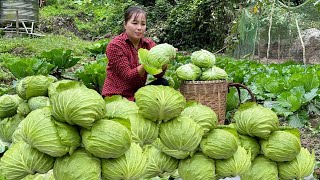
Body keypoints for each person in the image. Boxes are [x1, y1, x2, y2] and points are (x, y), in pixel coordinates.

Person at [102, 6, 169, 101]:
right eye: (135, 23)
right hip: (117, 96)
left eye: (143, 24)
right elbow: (128, 77)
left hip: (137, 92)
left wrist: (164, 61)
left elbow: (157, 75)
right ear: (125, 25)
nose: (139, 28)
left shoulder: (148, 44)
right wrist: (147, 62)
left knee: (163, 83)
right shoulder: (115, 46)